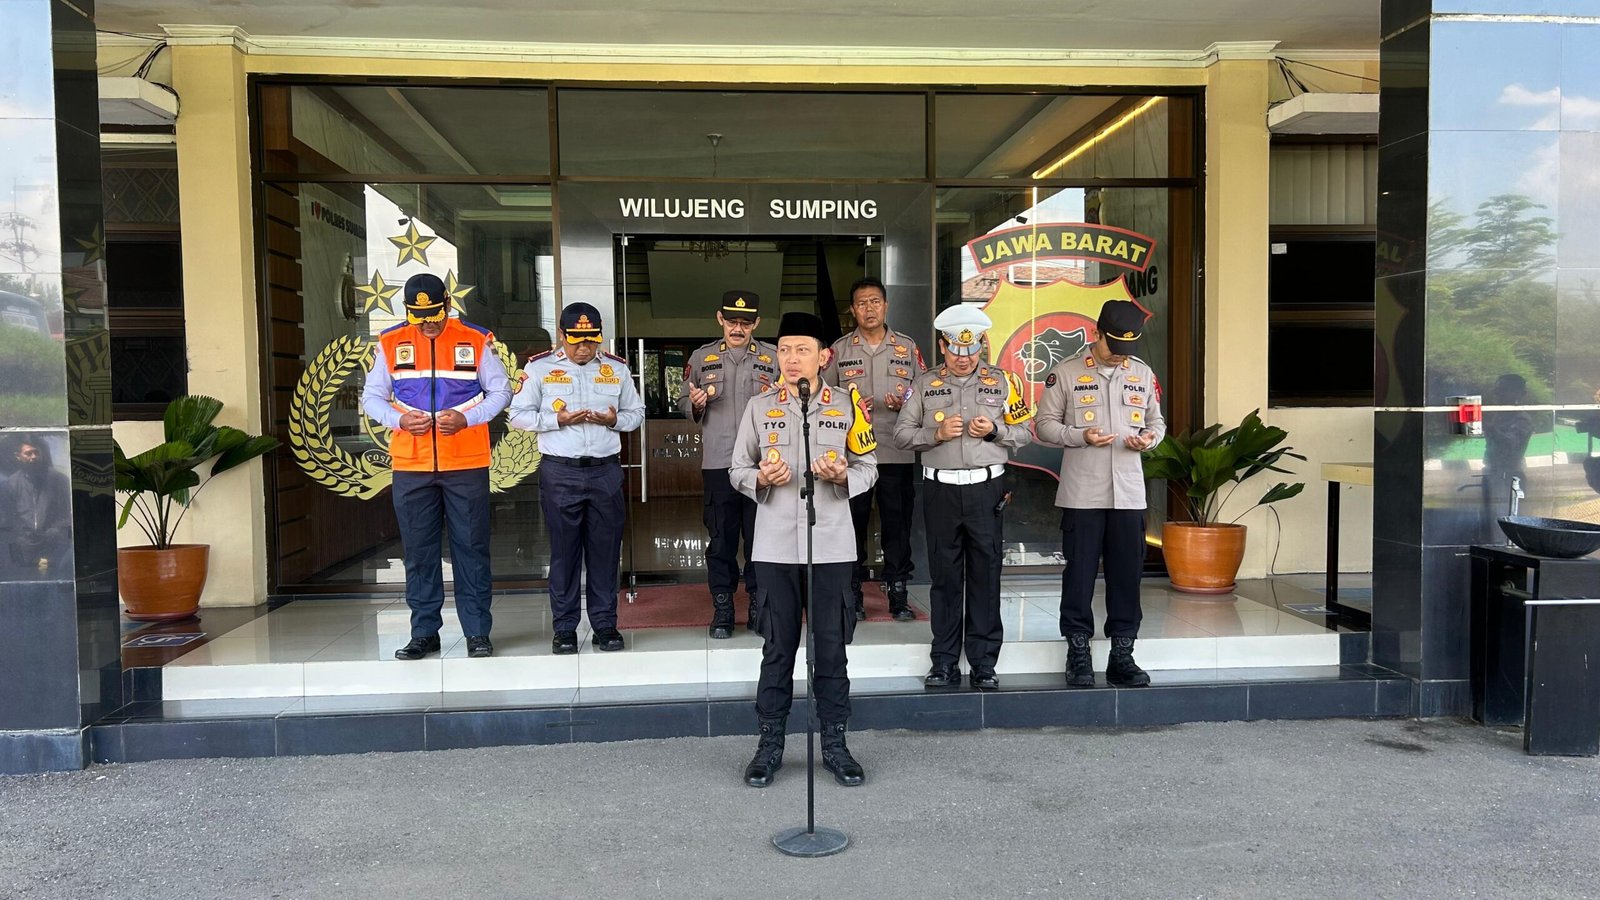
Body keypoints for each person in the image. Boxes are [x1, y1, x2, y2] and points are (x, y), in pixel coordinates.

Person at [731, 312, 877, 788]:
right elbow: (737, 468)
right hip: (774, 546)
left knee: (831, 648)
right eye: (785, 350)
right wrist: (759, 479)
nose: (791, 359)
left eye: (802, 350)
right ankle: (769, 745)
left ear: (824, 356)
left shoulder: (848, 406)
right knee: (777, 649)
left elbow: (870, 465)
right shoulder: (759, 407)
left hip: (831, 545)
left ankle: (835, 744)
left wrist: (844, 476)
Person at [361, 273, 512, 660]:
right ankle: (424, 633)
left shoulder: (476, 339)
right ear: (408, 311)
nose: (428, 324)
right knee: (419, 552)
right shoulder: (391, 342)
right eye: (419, 317)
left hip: (466, 463)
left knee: (471, 549)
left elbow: (501, 390)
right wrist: (398, 420)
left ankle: (477, 632)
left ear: (447, 304)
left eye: (434, 315)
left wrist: (468, 418)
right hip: (411, 465)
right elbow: (372, 397)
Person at [892, 306, 1033, 690]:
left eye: (971, 351)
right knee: (945, 577)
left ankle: (984, 663)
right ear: (943, 346)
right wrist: (934, 435)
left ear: (981, 346)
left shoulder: (1003, 382)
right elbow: (901, 435)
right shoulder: (924, 384)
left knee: (986, 575)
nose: (964, 358)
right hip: (941, 490)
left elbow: (1026, 432)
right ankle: (944, 660)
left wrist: (995, 431)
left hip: (986, 490)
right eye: (956, 350)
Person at [1035, 300, 1166, 688]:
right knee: (1079, 575)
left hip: (1128, 493)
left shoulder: (1141, 373)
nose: (1120, 354)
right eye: (1114, 345)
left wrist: (1149, 438)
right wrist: (1081, 436)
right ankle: (1078, 652)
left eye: (1127, 347)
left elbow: (1156, 421)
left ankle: (1122, 655)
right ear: (1097, 333)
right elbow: (1044, 425)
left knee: (1127, 576)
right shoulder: (1066, 373)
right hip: (1083, 493)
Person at [509, 302, 645, 655]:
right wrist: (557, 420)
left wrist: (614, 421)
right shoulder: (539, 368)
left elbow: (636, 413)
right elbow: (517, 415)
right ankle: (565, 628)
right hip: (560, 471)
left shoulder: (616, 369)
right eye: (576, 341)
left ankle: (604, 625)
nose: (584, 348)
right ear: (561, 335)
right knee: (565, 553)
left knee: (605, 553)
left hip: (605, 471)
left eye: (590, 340)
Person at [824, 277, 926, 621]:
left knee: (897, 525)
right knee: (851, 523)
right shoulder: (840, 350)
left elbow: (924, 390)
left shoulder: (906, 348)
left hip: (896, 451)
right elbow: (824, 397)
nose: (869, 309)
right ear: (852, 310)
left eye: (875, 302)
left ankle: (897, 591)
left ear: (885, 306)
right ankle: (852, 592)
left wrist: (905, 402)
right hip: (852, 456)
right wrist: (848, 406)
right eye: (862, 303)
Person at [681, 290, 777, 638]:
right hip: (719, 463)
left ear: (756, 323)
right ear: (720, 318)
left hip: (762, 464)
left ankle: (757, 604)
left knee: (760, 539)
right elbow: (683, 401)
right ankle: (722, 606)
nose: (738, 328)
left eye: (745, 323)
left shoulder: (773, 358)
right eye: (732, 321)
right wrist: (695, 403)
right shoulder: (701, 357)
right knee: (721, 540)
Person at [0, 434, 72, 580]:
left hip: (54, 547)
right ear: (18, 456)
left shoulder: (58, 480)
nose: (33, 457)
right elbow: (8, 519)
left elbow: (65, 516)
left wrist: (50, 536)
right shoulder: (11, 485)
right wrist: (22, 539)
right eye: (28, 453)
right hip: (22, 551)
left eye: (36, 452)